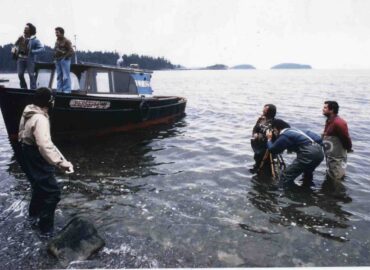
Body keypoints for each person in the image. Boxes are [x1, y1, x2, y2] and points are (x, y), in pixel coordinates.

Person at [18, 87, 73, 235]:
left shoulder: (28, 111)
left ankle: (33, 217)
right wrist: (60, 163)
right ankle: (46, 231)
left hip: (27, 151)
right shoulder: (41, 119)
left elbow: (22, 135)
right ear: (49, 102)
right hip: (36, 155)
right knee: (52, 193)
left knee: (38, 187)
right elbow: (43, 145)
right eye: (52, 99)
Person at [266, 119, 324, 188]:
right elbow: (318, 139)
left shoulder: (284, 135)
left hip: (308, 153)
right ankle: (307, 190)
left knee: (286, 175)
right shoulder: (296, 131)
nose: (274, 133)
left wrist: (269, 139)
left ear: (276, 128)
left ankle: (285, 194)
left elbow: (273, 150)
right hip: (320, 152)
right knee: (307, 172)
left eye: (274, 130)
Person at [322, 101, 352, 180]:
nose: (323, 109)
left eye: (325, 108)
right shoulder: (329, 120)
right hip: (331, 155)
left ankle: (337, 189)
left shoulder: (339, 123)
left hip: (336, 156)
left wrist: (348, 148)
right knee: (332, 172)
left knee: (336, 175)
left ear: (331, 110)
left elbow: (346, 138)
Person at [12, 23, 44, 89]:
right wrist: (14, 51)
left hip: (30, 60)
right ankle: (24, 88)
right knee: (20, 74)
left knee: (31, 75)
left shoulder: (35, 40)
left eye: (26, 28)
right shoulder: (20, 38)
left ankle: (33, 89)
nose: (24, 29)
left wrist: (33, 51)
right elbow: (14, 46)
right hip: (20, 59)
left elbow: (42, 49)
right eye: (24, 28)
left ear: (30, 30)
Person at [250, 104, 277, 173]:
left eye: (265, 110)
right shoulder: (261, 120)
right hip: (258, 147)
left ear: (270, 112)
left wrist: (260, 136)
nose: (263, 111)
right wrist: (255, 134)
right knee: (257, 160)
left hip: (266, 149)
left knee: (265, 165)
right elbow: (255, 129)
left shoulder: (274, 123)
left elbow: (273, 137)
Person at [54, 27, 74, 93]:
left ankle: (67, 90)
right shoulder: (57, 41)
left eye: (57, 32)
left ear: (62, 33)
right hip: (57, 60)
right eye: (55, 32)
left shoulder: (67, 41)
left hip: (65, 60)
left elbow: (71, 51)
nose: (56, 34)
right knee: (59, 76)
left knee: (66, 76)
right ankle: (59, 90)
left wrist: (65, 57)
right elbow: (55, 49)